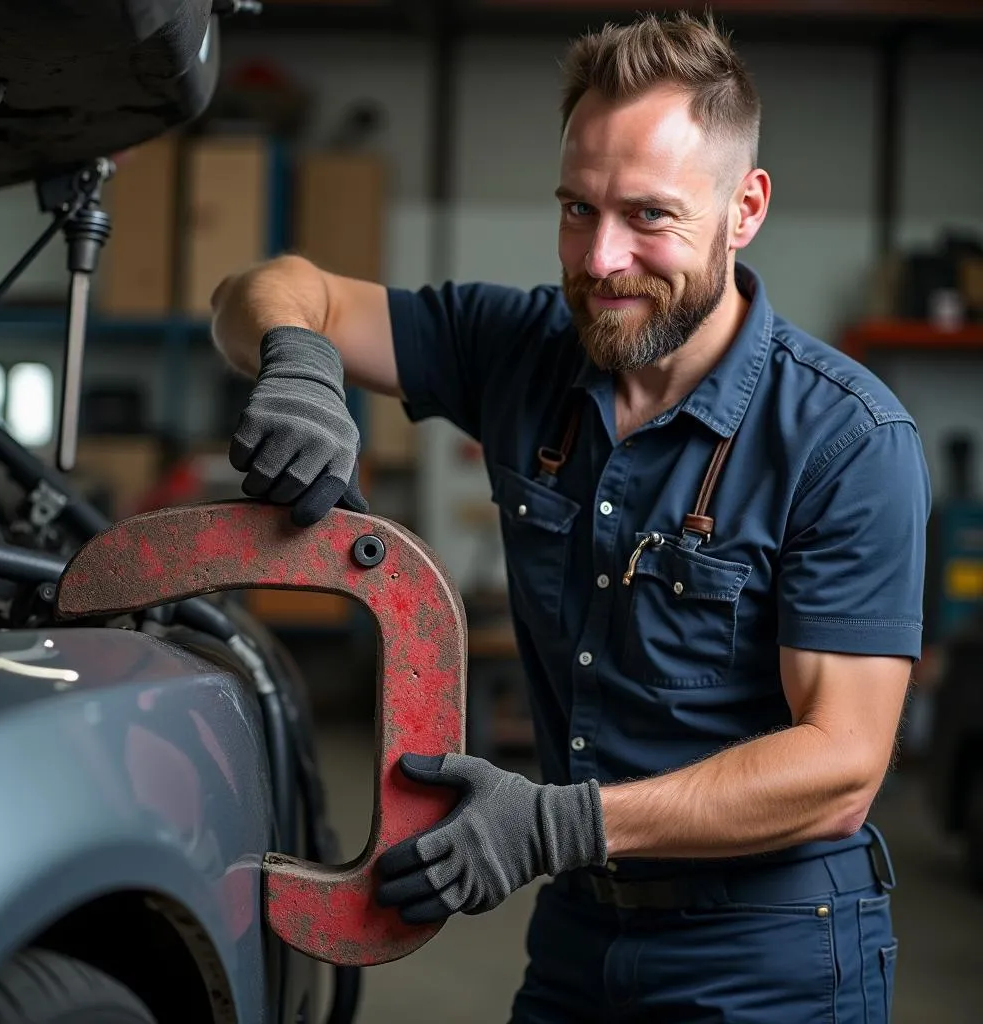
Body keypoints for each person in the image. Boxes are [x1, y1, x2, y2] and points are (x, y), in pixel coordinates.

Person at [210, 11, 929, 1022]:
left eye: (649, 217)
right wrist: (299, 361)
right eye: (575, 210)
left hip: (772, 960)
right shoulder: (522, 350)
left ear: (745, 207)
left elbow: (840, 767)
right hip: (580, 939)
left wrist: (555, 825)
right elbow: (265, 288)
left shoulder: (844, 439)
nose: (599, 260)